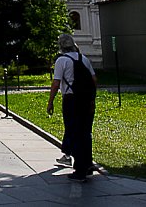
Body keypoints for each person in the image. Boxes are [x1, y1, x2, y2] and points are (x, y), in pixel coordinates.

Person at [47, 34, 97, 183]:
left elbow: (56, 83)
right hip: (86, 100)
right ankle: (88, 165)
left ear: (61, 46)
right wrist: (92, 98)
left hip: (71, 99)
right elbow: (94, 79)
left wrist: (50, 102)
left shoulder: (62, 60)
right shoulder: (83, 58)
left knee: (74, 131)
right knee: (85, 132)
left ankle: (79, 170)